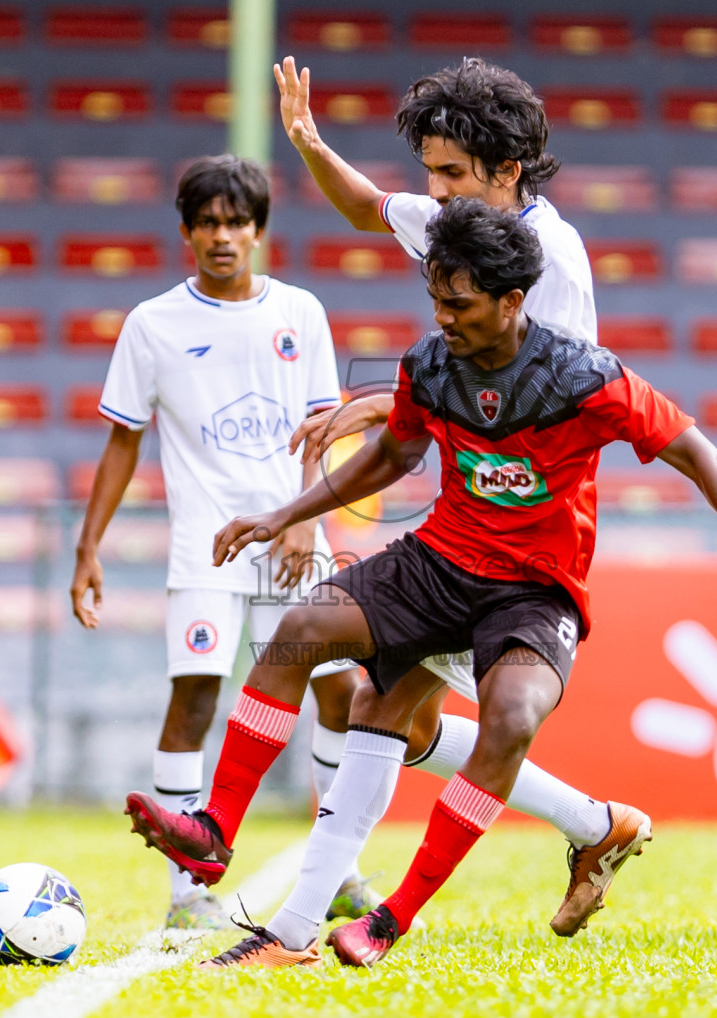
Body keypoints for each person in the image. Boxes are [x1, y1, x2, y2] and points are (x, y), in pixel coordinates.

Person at [129, 198, 717, 968]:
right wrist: (285, 514)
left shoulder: (585, 377)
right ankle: (214, 829)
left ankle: (389, 919)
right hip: (438, 562)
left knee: (508, 717)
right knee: (304, 631)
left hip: (533, 589)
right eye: (435, 299)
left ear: (511, 301)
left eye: (458, 304)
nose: (443, 317)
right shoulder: (429, 366)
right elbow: (393, 457)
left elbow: (701, 453)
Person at [271, 54, 642, 936]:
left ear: (507, 171)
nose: (431, 193)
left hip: (529, 520)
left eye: (449, 174)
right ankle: (599, 826)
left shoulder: (551, 260)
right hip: (468, 511)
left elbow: (526, 394)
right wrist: (309, 142)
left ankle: (294, 928)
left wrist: (384, 403)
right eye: (429, 173)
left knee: (382, 706)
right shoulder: (457, 222)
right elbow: (367, 207)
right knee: (390, 708)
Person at [72, 156, 380, 928]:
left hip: (291, 542)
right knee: (197, 693)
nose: (222, 236)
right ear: (186, 232)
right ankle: (186, 893)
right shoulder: (153, 325)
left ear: (258, 232)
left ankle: (336, 865)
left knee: (339, 693)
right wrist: (88, 548)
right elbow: (122, 442)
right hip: (205, 549)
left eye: (236, 222)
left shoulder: (300, 313)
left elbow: (323, 428)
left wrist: (307, 518)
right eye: (207, 222)